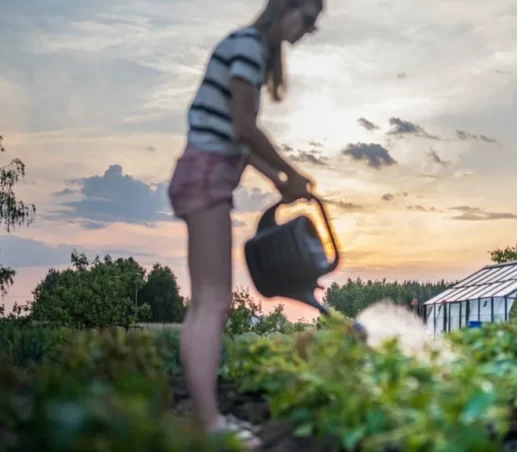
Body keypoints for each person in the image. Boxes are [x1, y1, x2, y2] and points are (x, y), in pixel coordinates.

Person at [166, 0, 324, 447]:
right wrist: (289, 172)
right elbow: (242, 125)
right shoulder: (250, 45)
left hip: (205, 170)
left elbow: (236, 137)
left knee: (207, 302)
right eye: (308, 18)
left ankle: (203, 416)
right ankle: (209, 422)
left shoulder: (247, 48)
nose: (309, 30)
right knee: (213, 302)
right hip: (206, 173)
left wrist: (279, 180)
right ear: (286, 8)